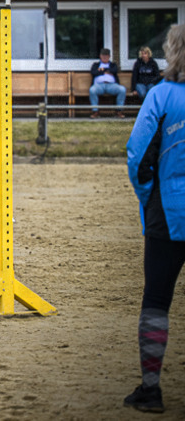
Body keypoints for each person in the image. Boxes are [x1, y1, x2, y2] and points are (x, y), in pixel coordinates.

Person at [124, 23, 185, 413]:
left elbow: (137, 157)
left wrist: (150, 201)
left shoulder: (161, 96)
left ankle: (151, 388)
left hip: (170, 213)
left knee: (157, 302)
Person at [89, 47, 127, 118]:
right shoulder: (95, 65)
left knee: (122, 89)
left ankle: (119, 111)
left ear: (109, 56)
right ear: (100, 56)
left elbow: (115, 70)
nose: (104, 57)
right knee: (92, 90)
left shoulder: (113, 65)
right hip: (99, 85)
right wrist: (106, 71)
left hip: (112, 85)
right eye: (103, 55)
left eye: (106, 55)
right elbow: (93, 72)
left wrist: (100, 71)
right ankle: (95, 111)